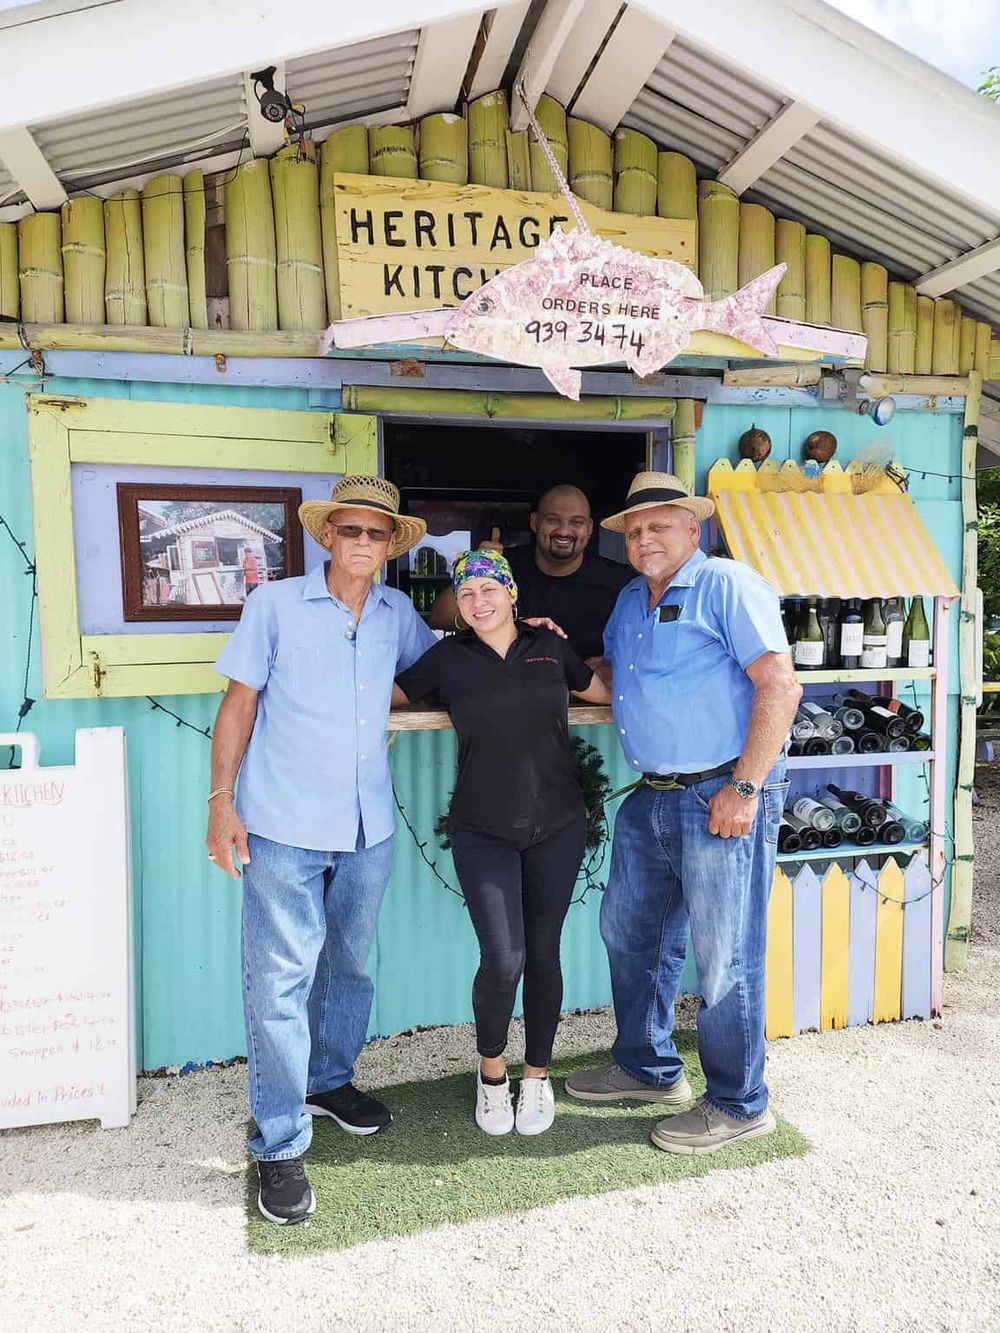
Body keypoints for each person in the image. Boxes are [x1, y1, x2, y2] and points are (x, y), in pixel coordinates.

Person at [206, 475, 436, 1226]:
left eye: (377, 532)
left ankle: (329, 1078)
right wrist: (220, 804)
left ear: (391, 543)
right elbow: (238, 703)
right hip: (281, 825)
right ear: (327, 535)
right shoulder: (274, 604)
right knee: (279, 982)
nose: (362, 543)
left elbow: (433, 675)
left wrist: (529, 641)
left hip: (367, 829)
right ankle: (279, 1140)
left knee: (350, 968)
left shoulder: (397, 614)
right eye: (350, 530)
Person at [565, 471, 801, 1154]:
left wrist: (747, 788)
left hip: (720, 793)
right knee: (630, 933)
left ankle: (739, 1101)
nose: (644, 538)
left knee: (725, 954)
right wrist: (547, 652)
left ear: (691, 530)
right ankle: (646, 1065)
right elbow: (612, 682)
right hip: (653, 796)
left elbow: (779, 684)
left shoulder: (726, 584)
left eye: (659, 525)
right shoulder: (629, 602)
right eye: (635, 530)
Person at [393, 549, 611, 1137]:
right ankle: (492, 1078)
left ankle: (536, 1077)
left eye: (490, 590)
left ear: (512, 595)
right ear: (457, 607)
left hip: (559, 823)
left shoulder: (550, 648)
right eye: (467, 595)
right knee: (504, 958)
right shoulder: (448, 658)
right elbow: (385, 695)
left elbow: (604, 691)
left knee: (543, 954)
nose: (479, 601)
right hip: (481, 826)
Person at [428, 484, 631, 663]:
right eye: (553, 520)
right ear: (535, 522)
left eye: (576, 522)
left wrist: (609, 664)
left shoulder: (619, 583)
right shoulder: (503, 568)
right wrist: (480, 568)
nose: (563, 530)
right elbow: (439, 618)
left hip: (592, 700)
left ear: (589, 528)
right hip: (510, 696)